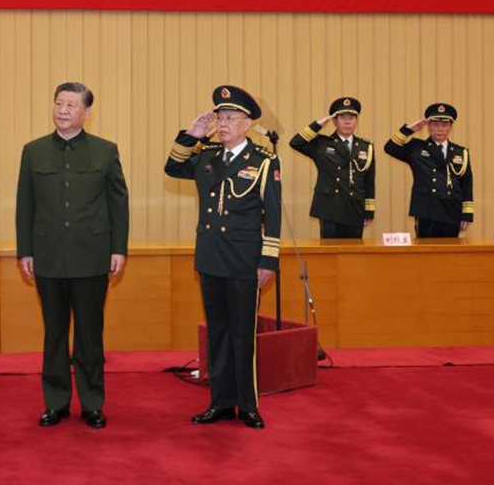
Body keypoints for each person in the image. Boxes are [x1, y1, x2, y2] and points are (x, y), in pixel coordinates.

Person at [164, 85, 281, 430]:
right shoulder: (206, 155)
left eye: (231, 117)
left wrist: (268, 261)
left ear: (247, 123)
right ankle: (220, 402)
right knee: (217, 332)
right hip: (211, 256)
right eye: (220, 116)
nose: (224, 122)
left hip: (245, 259)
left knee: (242, 334)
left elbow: (272, 215)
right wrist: (191, 136)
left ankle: (247, 405)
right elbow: (172, 167)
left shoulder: (264, 161)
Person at [16, 82, 129, 430]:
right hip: (48, 255)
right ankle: (56, 402)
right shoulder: (33, 151)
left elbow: (118, 203)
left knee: (90, 335)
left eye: (70, 105)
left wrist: (119, 249)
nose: (62, 110)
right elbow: (26, 204)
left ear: (86, 112)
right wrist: (25, 251)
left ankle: (92, 403)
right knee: (54, 333)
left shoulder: (105, 150)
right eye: (58, 103)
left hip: (91, 255)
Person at [289, 97, 376, 239]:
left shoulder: (366, 146)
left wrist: (369, 210)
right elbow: (296, 143)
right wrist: (317, 125)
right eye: (342, 117)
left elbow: (369, 180)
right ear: (334, 121)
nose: (348, 122)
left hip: (355, 207)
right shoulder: (322, 144)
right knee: (329, 253)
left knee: (353, 254)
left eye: (352, 117)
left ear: (357, 120)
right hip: (330, 208)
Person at [384, 102, 474, 238]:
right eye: (435, 125)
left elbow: (466, 184)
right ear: (428, 126)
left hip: (451, 210)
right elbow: (390, 148)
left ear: (450, 127)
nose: (440, 129)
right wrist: (408, 130)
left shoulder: (460, 152)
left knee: (450, 254)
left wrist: (466, 214)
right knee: (425, 253)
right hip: (426, 210)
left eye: (444, 125)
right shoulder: (417, 147)